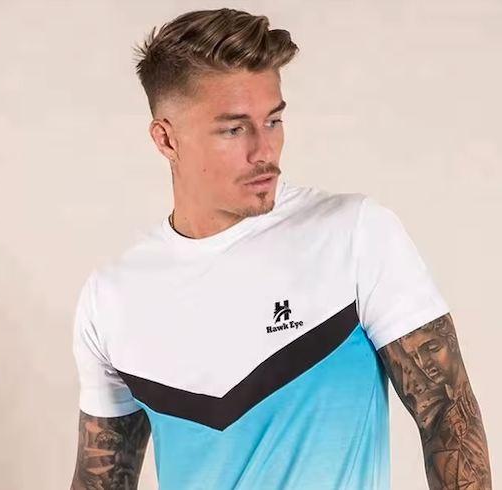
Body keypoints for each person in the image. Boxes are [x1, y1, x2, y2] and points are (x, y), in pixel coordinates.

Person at [69, 8, 492, 490]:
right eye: (233, 129)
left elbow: (448, 418)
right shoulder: (113, 297)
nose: (264, 151)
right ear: (166, 139)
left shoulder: (354, 234)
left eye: (273, 120)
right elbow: (100, 481)